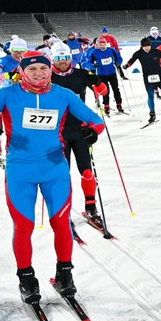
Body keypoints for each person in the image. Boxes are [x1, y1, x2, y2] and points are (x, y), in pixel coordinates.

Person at [0, 47, 107, 306]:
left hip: (55, 169)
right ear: (22, 71)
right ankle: (26, 277)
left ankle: (65, 273)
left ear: (50, 68)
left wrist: (92, 132)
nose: (39, 73)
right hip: (20, 170)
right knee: (24, 226)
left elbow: (96, 121)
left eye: (43, 67)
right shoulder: (8, 94)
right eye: (32, 68)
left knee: (61, 223)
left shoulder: (64, 95)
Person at [48, 48, 110, 223]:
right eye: (59, 58)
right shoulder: (47, 76)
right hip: (58, 132)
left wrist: (96, 81)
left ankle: (91, 206)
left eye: (66, 57)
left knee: (87, 170)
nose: (63, 61)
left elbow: (104, 92)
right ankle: (61, 207)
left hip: (80, 129)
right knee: (61, 172)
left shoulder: (82, 73)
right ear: (53, 59)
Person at [132, 34, 161, 124]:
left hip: (159, 75)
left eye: (148, 46)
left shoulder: (156, 51)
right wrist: (126, 66)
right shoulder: (138, 53)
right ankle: (152, 113)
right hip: (147, 77)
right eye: (145, 47)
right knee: (151, 96)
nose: (147, 48)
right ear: (142, 46)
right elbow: (131, 60)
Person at [87, 30, 126, 115]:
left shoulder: (111, 50)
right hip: (102, 74)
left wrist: (118, 63)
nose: (103, 45)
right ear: (98, 44)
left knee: (116, 89)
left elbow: (119, 57)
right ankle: (106, 106)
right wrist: (93, 66)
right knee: (105, 91)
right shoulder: (94, 52)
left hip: (112, 73)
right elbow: (88, 62)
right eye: (101, 44)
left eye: (104, 43)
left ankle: (119, 104)